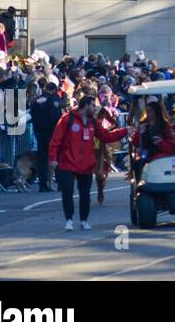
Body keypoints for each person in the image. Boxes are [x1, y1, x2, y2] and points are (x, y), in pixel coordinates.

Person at [48, 94, 127, 231]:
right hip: (68, 163)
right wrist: (53, 158)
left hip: (86, 164)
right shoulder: (67, 119)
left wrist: (125, 131)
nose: (95, 108)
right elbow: (55, 140)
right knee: (67, 191)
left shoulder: (93, 122)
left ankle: (84, 220)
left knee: (85, 194)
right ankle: (69, 220)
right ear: (85, 106)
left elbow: (105, 136)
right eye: (92, 105)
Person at [30, 80, 63, 192]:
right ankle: (60, 182)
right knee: (56, 156)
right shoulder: (53, 99)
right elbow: (56, 117)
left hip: (40, 132)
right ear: (54, 90)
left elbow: (32, 115)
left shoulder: (37, 100)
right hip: (51, 132)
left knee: (42, 158)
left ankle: (43, 183)